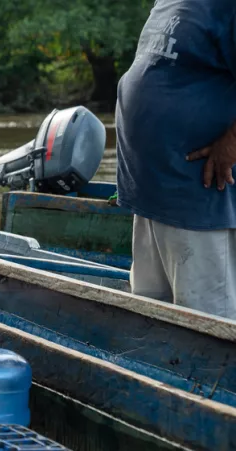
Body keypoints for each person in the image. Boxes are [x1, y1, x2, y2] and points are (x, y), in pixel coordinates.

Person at [116, 0, 236, 320]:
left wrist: (232, 141)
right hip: (151, 192)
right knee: (149, 315)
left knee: (205, 324)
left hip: (197, 197)